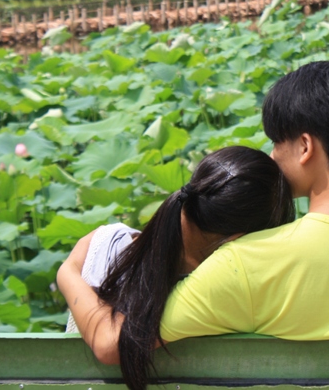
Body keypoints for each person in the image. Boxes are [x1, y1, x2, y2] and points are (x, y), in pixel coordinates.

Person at [60, 61, 329, 390]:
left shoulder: (246, 261)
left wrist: (69, 271)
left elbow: (114, 341)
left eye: (277, 143)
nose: (271, 157)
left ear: (305, 147)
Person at [59, 146, 294, 390]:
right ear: (237, 240)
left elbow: (109, 343)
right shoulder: (227, 289)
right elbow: (110, 344)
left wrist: (67, 271)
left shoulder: (106, 243)